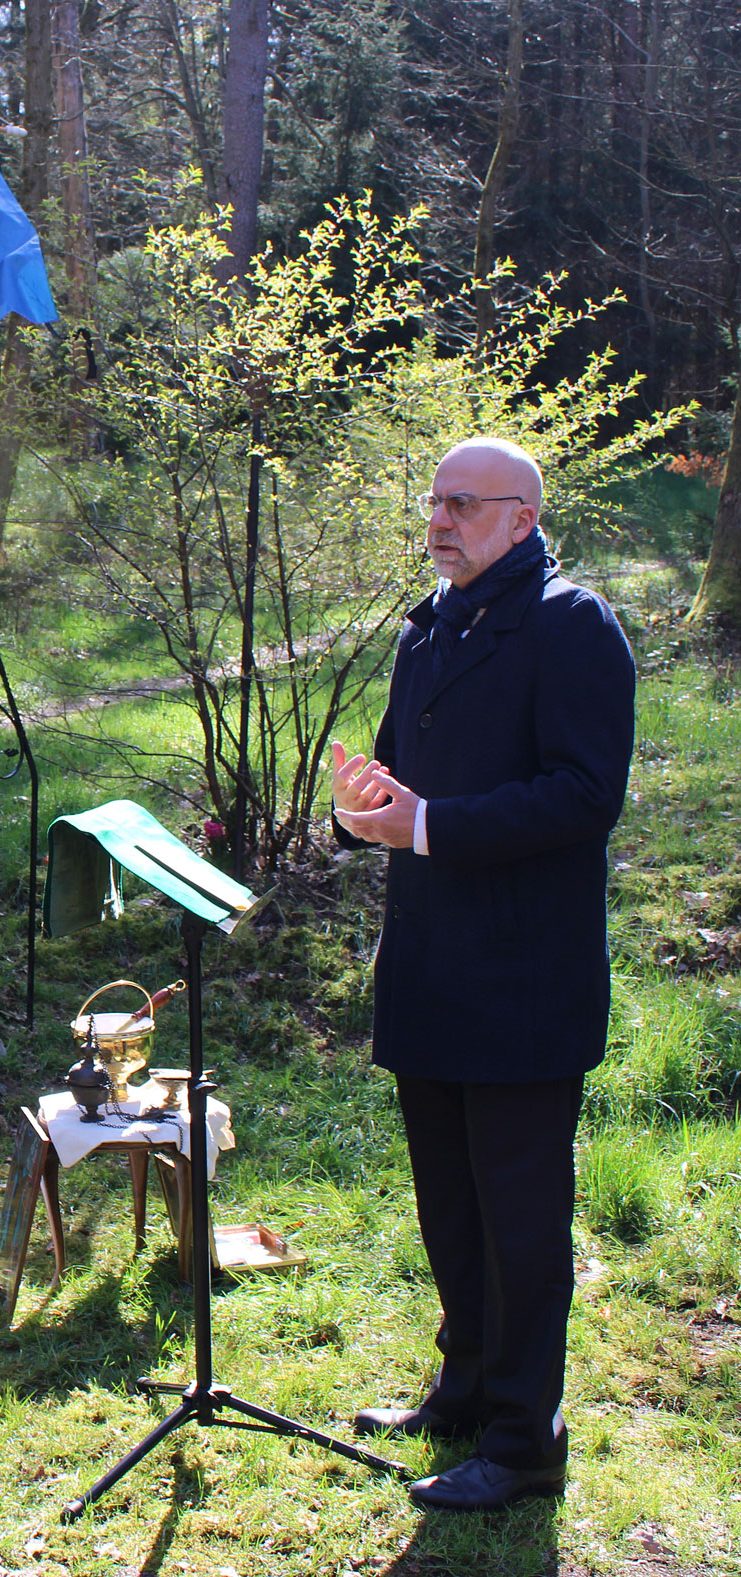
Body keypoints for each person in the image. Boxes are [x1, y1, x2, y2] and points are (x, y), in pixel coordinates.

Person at [331, 436, 635, 1512]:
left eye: (462, 504)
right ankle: (461, 1392)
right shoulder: (431, 624)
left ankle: (525, 1439)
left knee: (519, 1218)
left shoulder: (570, 625)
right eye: (434, 503)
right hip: (430, 965)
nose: (439, 521)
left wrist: (430, 825)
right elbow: (395, 782)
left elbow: (585, 794)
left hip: (523, 977)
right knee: (450, 1205)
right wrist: (364, 803)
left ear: (521, 516)